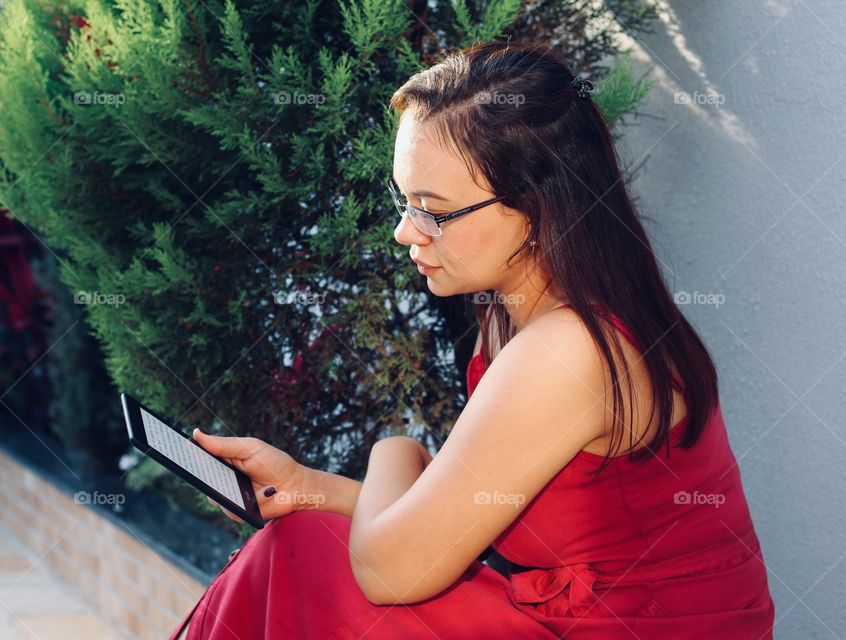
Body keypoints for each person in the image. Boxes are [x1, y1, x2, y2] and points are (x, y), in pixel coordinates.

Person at [171, 41, 775, 639]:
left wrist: (397, 449)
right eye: (403, 200)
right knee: (303, 537)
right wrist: (308, 488)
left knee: (304, 553)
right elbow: (434, 535)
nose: (407, 232)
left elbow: (389, 570)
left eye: (434, 210)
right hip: (564, 619)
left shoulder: (570, 351)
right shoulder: (518, 311)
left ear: (537, 209)